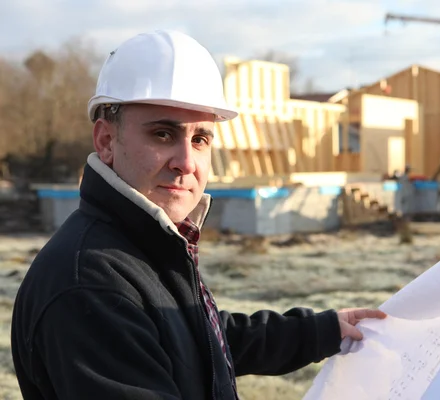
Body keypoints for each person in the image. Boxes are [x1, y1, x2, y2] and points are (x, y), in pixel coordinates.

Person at [11, 30, 387, 400]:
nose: (186, 163)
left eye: (200, 139)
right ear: (107, 141)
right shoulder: (90, 287)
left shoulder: (144, 245)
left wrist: (318, 331)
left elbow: (195, 339)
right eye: (162, 134)